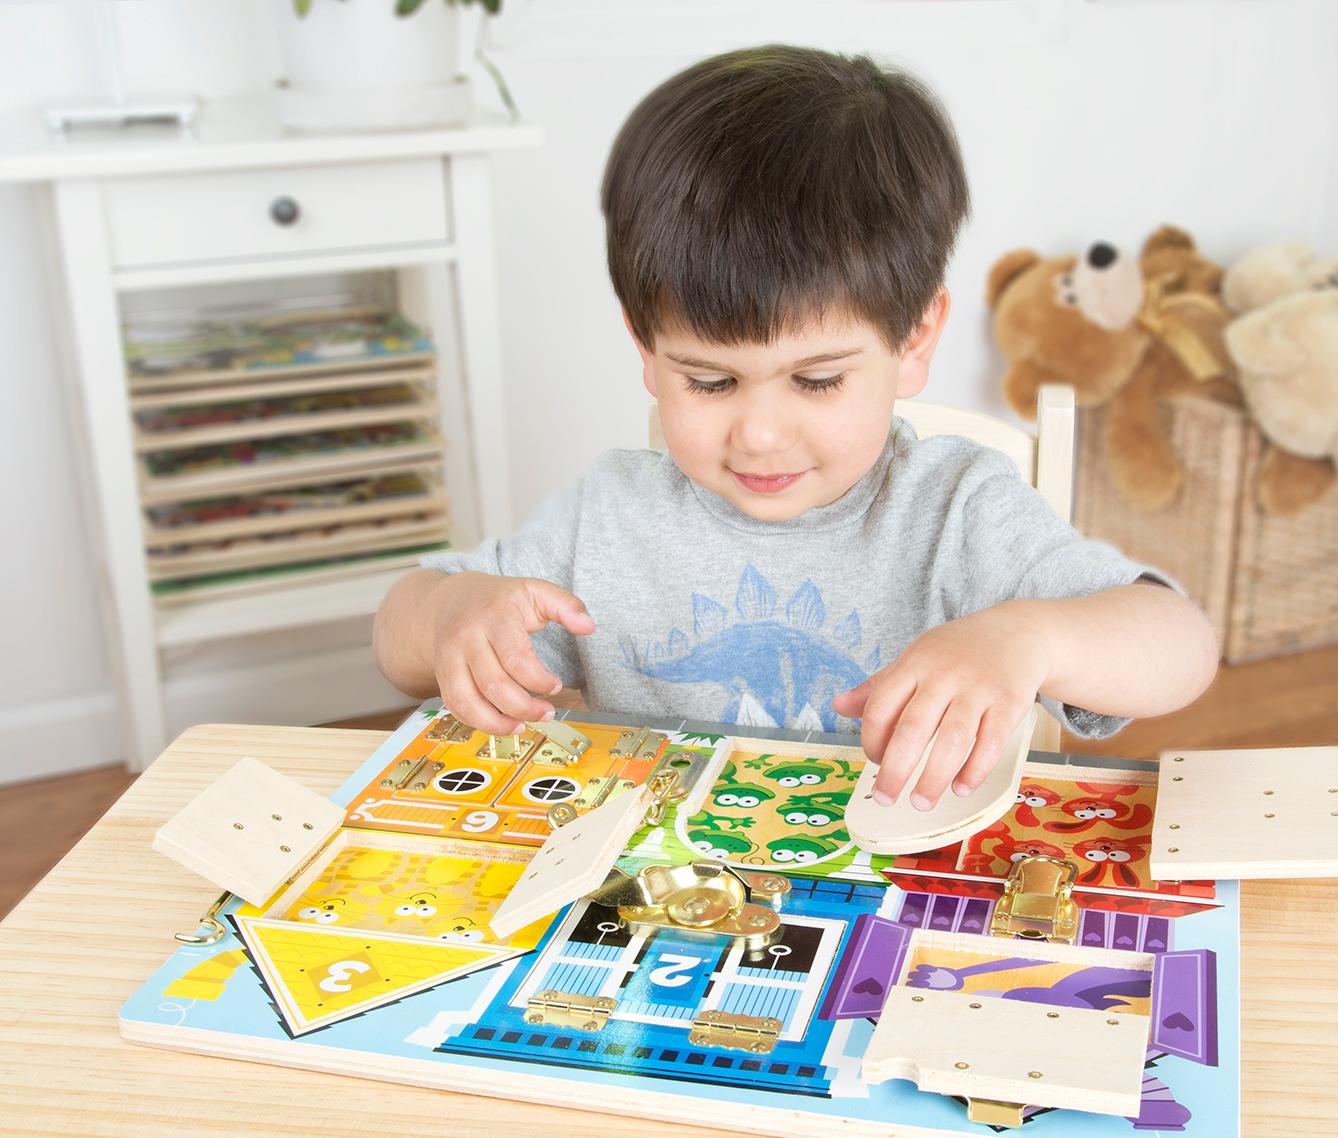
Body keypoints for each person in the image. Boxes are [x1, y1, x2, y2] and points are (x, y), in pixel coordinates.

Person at [373, 45, 1218, 810]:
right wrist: (450, 612)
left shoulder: (958, 509)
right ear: (647, 351)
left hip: (901, 882)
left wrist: (1029, 638)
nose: (761, 435)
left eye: (817, 380)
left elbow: (1180, 642)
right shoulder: (607, 517)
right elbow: (397, 633)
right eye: (710, 382)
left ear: (913, 341)